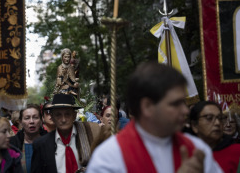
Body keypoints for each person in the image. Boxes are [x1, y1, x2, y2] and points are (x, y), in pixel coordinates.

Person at [87, 62, 222, 173]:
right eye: (175, 103)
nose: (185, 110)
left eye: (184, 102)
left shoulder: (196, 149)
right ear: (147, 107)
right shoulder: (109, 157)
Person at [31, 94, 100, 173]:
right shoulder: (41, 144)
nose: (63, 119)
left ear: (74, 116)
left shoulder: (90, 135)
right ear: (52, 117)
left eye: (67, 114)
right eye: (58, 115)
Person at [190, 101, 240, 173]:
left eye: (220, 118)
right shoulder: (185, 153)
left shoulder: (237, 152)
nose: (217, 123)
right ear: (194, 125)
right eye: (209, 118)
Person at [9, 104, 46, 173]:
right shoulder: (12, 144)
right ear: (20, 122)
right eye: (27, 118)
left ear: (41, 120)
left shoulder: (50, 142)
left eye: (35, 117)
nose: (31, 121)